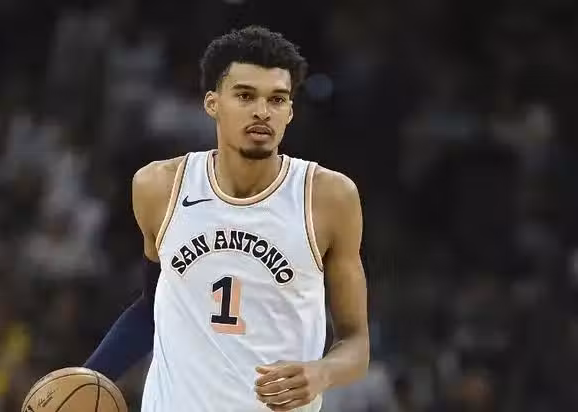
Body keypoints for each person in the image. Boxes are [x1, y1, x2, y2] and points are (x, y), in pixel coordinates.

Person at [84, 25, 369, 412]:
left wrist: (322, 373)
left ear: (290, 112)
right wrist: (87, 376)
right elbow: (150, 309)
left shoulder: (328, 197)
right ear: (212, 103)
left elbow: (356, 344)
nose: (262, 112)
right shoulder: (159, 187)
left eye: (277, 99)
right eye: (245, 95)